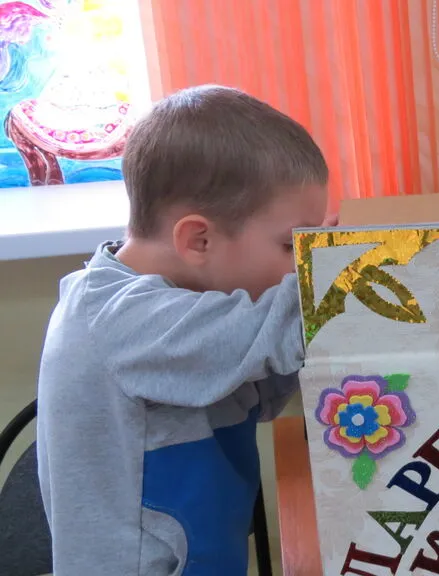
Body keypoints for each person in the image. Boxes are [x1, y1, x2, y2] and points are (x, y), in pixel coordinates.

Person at [36, 85, 331, 576]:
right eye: (291, 245)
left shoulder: (178, 305)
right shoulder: (123, 319)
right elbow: (280, 326)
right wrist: (347, 273)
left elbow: (256, 384)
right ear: (199, 240)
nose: (301, 263)